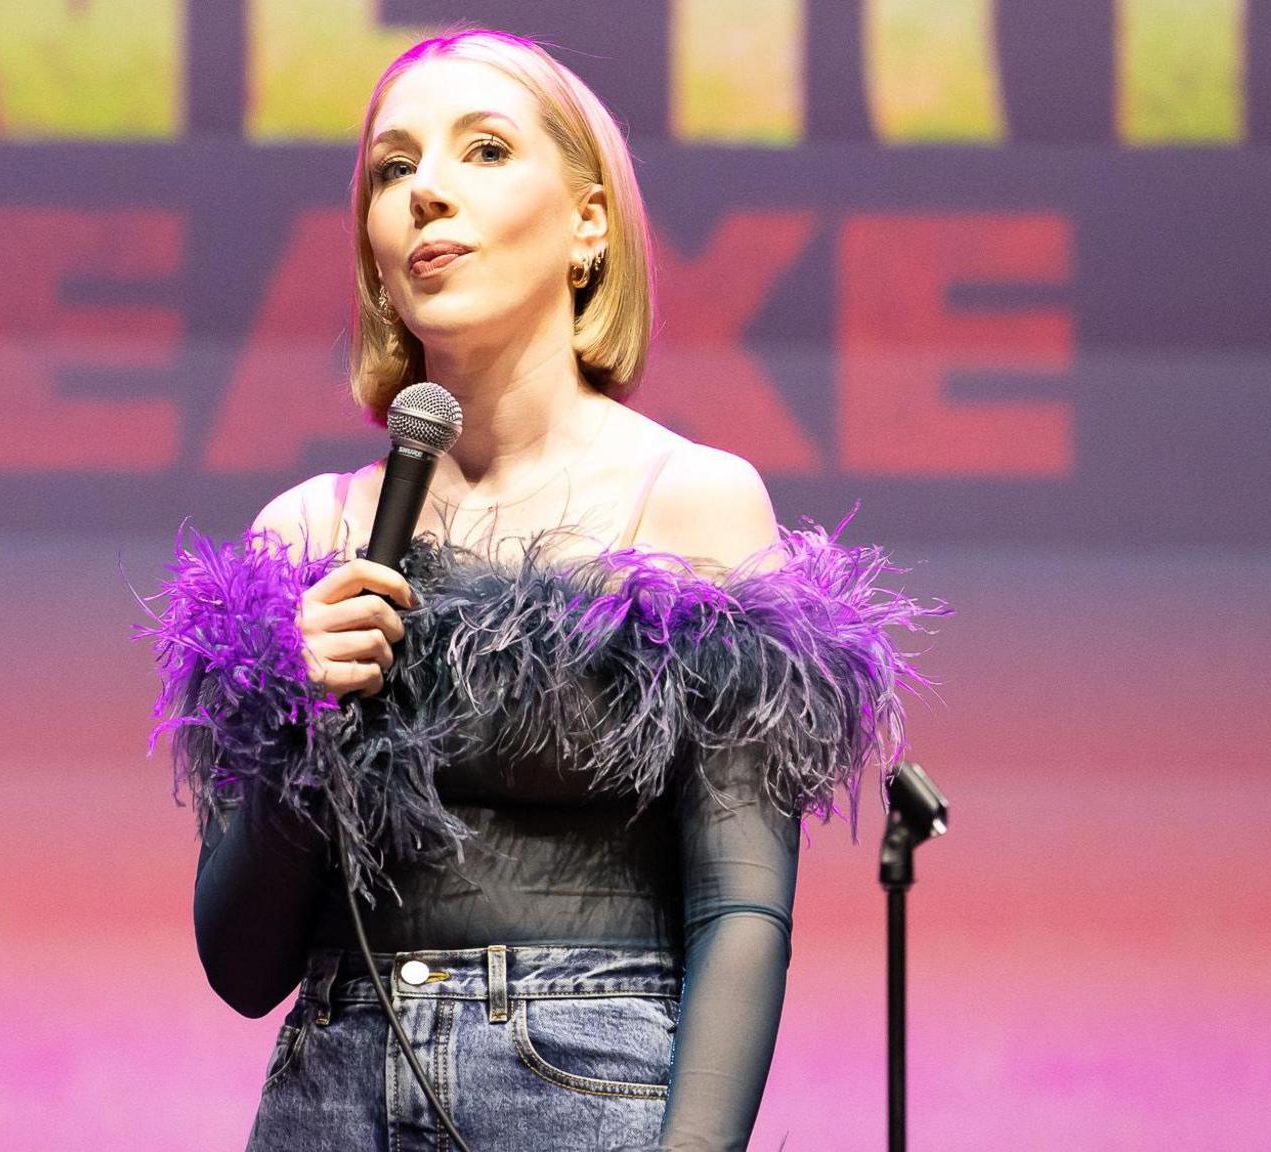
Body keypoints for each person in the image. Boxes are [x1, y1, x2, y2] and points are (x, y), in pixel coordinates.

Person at [143, 27, 940, 1152]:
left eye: (481, 151)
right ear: (371, 249)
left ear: (588, 224)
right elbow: (241, 965)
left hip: (581, 1087)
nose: (426, 193)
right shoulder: (307, 533)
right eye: (392, 168)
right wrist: (299, 723)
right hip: (328, 1095)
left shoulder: (693, 507)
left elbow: (741, 914)